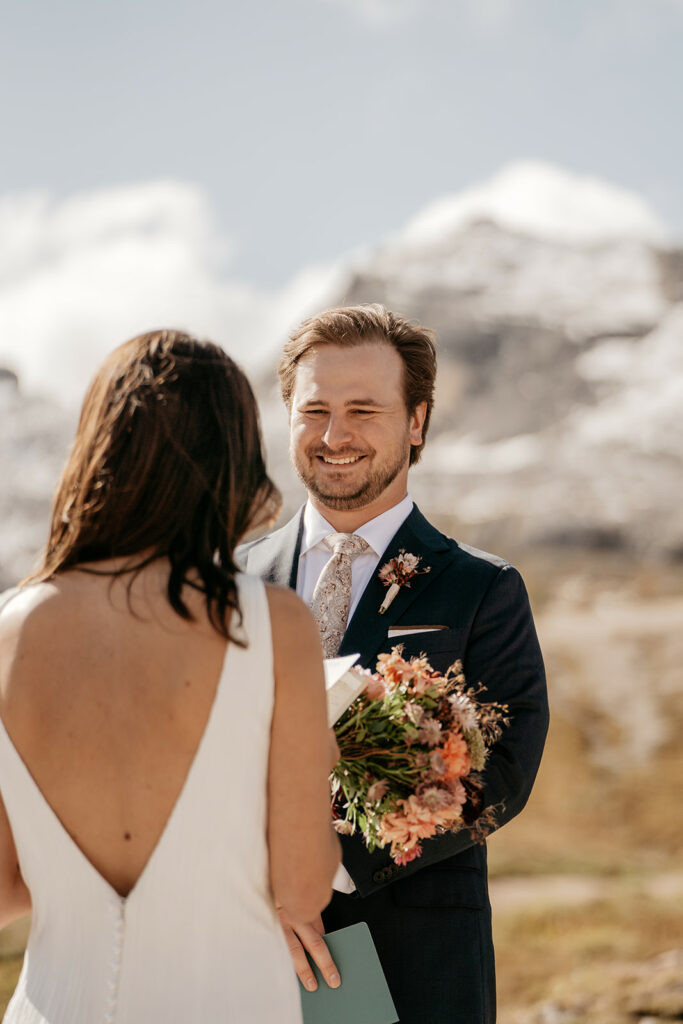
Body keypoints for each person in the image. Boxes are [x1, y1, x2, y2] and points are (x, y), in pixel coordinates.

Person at [0, 329, 340, 1024]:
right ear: (231, 457)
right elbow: (301, 888)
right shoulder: (269, 624)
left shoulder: (7, 630)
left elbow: (2, 891)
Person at [239, 304, 550, 1023]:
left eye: (362, 410)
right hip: (238, 948)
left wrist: (321, 875)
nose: (334, 435)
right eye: (313, 410)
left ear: (416, 423)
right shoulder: (228, 582)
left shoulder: (481, 589)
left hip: (409, 957)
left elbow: (500, 771)